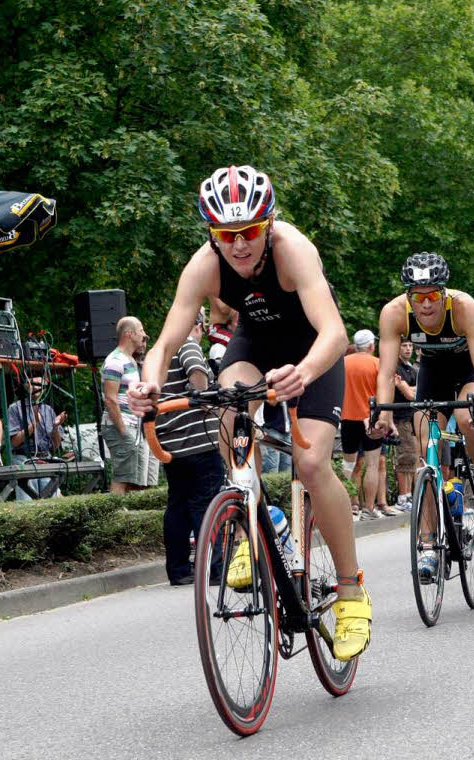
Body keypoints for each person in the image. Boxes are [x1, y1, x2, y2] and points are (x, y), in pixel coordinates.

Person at [127, 164, 370, 662]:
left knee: (309, 463)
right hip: (255, 343)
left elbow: (335, 334)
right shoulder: (204, 264)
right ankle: (254, 514)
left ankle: (350, 593)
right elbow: (169, 335)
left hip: (312, 350)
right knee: (229, 403)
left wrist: (302, 372)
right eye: (226, 235)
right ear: (212, 234)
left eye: (250, 232)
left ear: (269, 223)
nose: (239, 245)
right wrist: (147, 380)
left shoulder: (293, 249)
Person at [371, 253, 474, 580]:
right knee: (426, 447)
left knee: (468, 416)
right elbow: (386, 372)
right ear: (408, 297)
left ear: (444, 294)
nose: (426, 304)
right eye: (418, 296)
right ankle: (428, 544)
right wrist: (384, 415)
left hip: (468, 368)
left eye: (433, 295)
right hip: (432, 370)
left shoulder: (464, 307)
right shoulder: (394, 313)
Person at [156, 312, 225, 586]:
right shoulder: (187, 344)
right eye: (203, 325)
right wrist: (203, 396)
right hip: (198, 440)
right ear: (195, 324)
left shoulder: (160, 351)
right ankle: (214, 568)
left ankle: (178, 569)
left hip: (170, 443)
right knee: (205, 504)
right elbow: (197, 371)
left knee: (177, 506)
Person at [342, 330, 389, 519]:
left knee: (349, 465)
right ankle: (369, 509)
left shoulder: (343, 363)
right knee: (372, 465)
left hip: (347, 418)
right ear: (371, 346)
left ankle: (351, 505)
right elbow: (385, 395)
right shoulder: (378, 364)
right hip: (372, 420)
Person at [100, 316, 147, 494]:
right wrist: (123, 430)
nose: (144, 334)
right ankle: (116, 515)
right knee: (122, 477)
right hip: (121, 425)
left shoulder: (131, 360)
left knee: (135, 480)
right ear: (129, 334)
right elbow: (110, 399)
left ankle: (129, 516)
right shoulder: (115, 361)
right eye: (141, 330)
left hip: (134, 425)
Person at [8, 375, 66, 499]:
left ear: (45, 389)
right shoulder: (15, 408)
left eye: (41, 385)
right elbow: (14, 442)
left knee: (52, 501)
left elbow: (55, 446)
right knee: (27, 503)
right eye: (34, 384)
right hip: (24, 459)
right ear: (27, 385)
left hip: (45, 459)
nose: (37, 388)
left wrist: (55, 427)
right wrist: (33, 426)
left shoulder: (48, 410)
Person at [392, 337, 418, 510]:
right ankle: (402, 497)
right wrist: (409, 389)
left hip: (412, 417)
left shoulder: (412, 369)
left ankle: (408, 494)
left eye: (410, 345)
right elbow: (410, 395)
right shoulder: (395, 367)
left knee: (412, 457)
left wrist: (408, 388)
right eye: (404, 346)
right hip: (399, 417)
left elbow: (418, 392)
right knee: (404, 457)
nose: (408, 349)